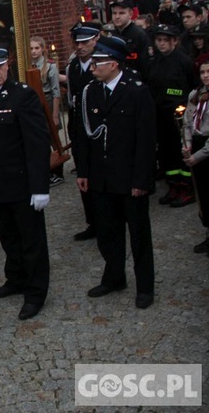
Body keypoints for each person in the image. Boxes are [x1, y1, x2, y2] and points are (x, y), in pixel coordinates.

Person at [0, 43, 51, 321]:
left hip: (22, 183)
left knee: (32, 240)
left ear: (8, 66)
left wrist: (40, 187)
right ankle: (15, 279)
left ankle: (36, 292)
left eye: (0, 66)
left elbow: (38, 143)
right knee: (8, 236)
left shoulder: (22, 96)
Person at [76, 36, 156, 310]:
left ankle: (145, 286)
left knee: (139, 234)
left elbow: (146, 140)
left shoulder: (135, 91)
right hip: (102, 177)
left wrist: (141, 180)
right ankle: (114, 277)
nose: (92, 66)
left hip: (129, 178)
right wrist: (84, 171)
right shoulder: (92, 92)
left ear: (113, 64)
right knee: (108, 232)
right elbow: (83, 136)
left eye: (97, 62)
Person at [147, 24, 195, 207]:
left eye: (165, 40)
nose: (161, 44)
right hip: (161, 115)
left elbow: (188, 89)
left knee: (181, 151)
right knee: (166, 153)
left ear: (174, 41)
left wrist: (181, 106)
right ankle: (173, 185)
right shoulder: (155, 61)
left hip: (179, 115)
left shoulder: (184, 61)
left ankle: (186, 187)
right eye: (159, 40)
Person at [66, 22, 102, 241]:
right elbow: (72, 100)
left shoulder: (101, 64)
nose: (80, 47)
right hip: (79, 128)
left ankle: (106, 221)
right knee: (84, 176)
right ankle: (92, 222)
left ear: (95, 40)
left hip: (96, 128)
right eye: (77, 42)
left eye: (85, 42)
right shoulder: (72, 66)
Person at [182, 55, 209, 256]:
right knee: (203, 194)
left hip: (207, 149)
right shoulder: (195, 95)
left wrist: (198, 155)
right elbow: (187, 122)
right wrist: (188, 145)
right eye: (202, 72)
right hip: (197, 146)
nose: (205, 76)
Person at [30, 36, 64, 187]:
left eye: (37, 48)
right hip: (34, 103)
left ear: (43, 49)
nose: (34, 51)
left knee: (53, 138)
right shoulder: (29, 65)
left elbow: (56, 92)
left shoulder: (50, 66)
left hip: (48, 102)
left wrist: (55, 114)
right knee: (40, 138)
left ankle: (58, 172)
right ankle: (47, 170)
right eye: (31, 48)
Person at [110, 0, 151, 78]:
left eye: (122, 13)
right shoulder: (111, 34)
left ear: (131, 14)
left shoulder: (139, 35)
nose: (117, 17)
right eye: (114, 13)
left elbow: (146, 64)